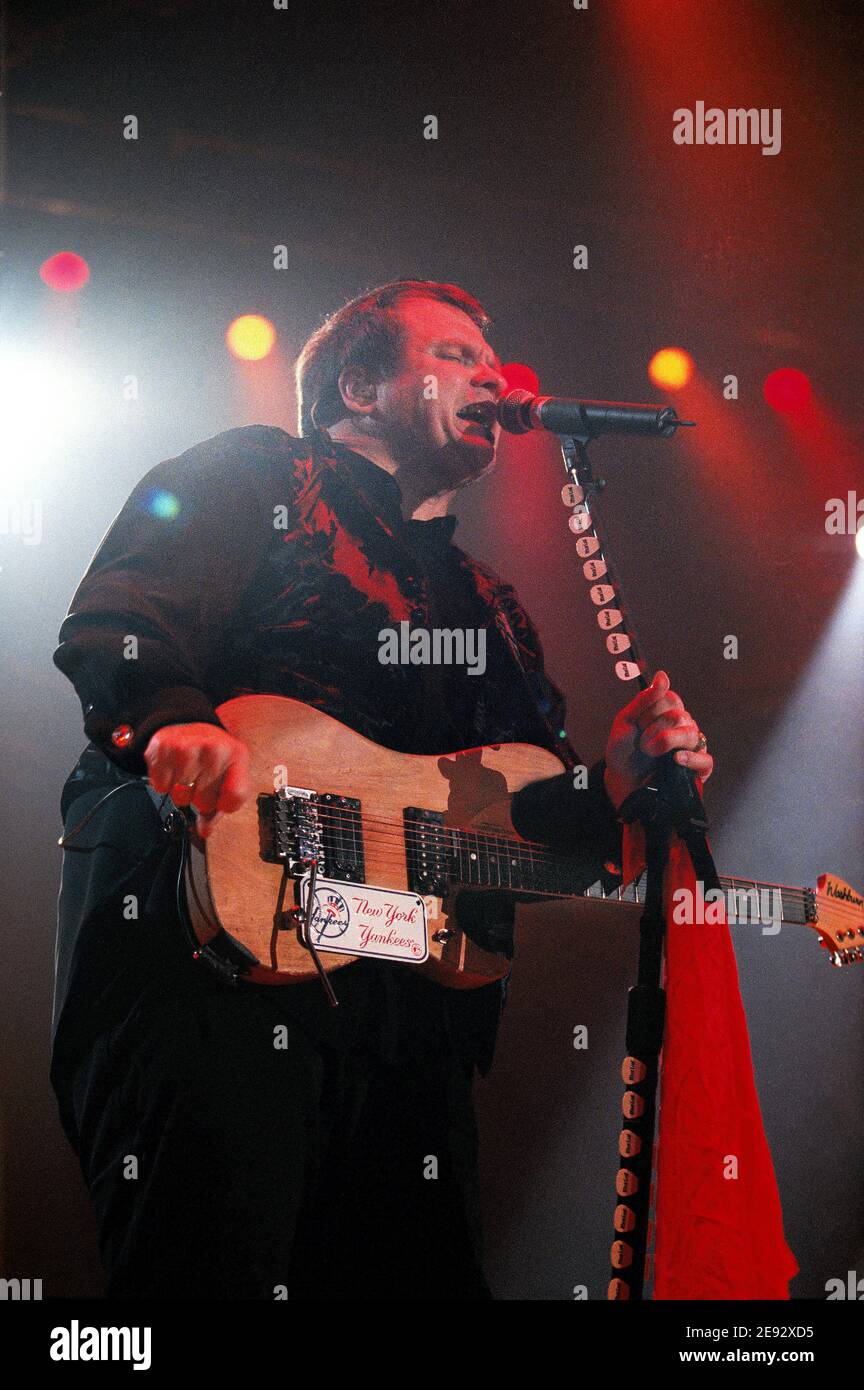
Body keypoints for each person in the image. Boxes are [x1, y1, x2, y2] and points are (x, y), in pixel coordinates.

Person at [51, 279, 713, 1300]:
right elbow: (119, 619)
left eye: (490, 360)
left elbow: (518, 834)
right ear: (358, 388)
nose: (492, 375)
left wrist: (615, 786)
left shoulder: (492, 602)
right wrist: (175, 716)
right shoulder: (258, 472)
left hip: (409, 1022)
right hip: (207, 973)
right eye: (453, 355)